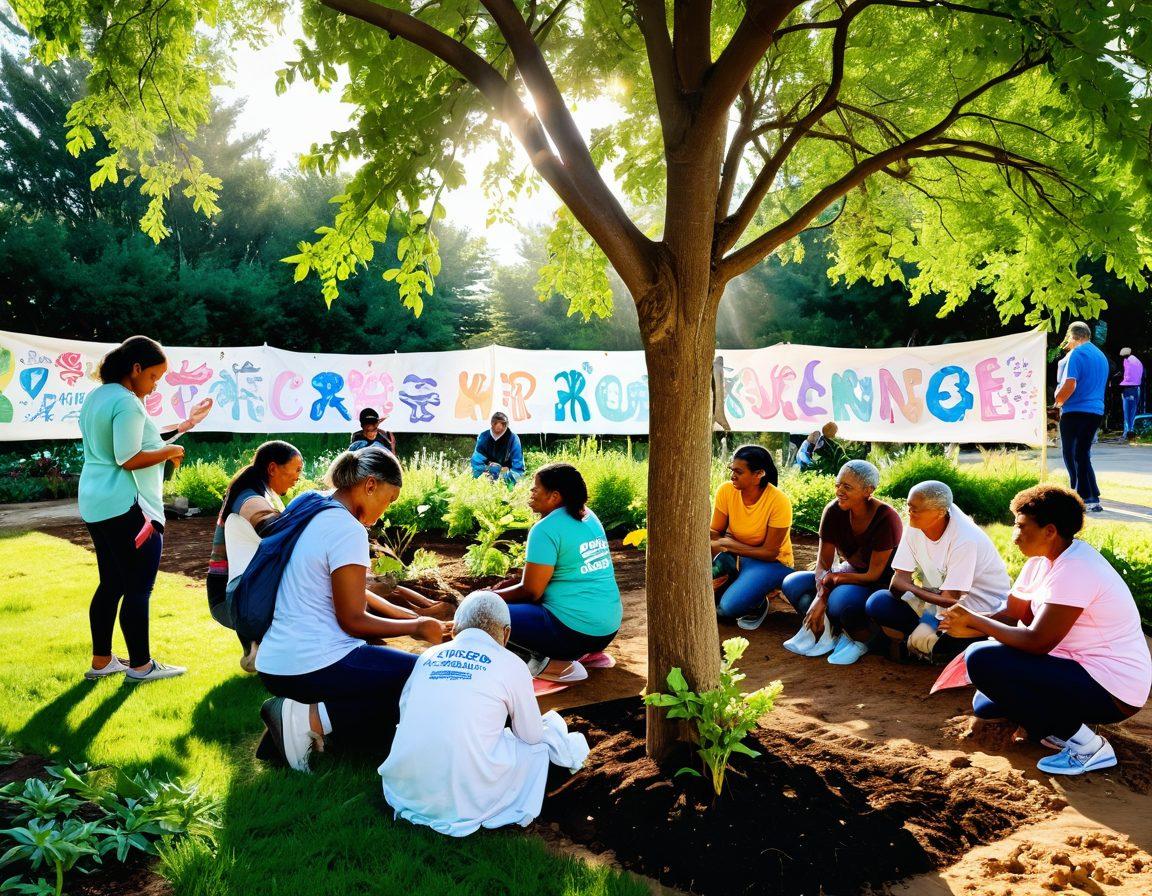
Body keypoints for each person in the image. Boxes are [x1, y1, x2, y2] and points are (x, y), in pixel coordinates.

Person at [256, 447, 451, 772]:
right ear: (370, 485)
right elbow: (353, 620)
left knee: (387, 668)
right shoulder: (347, 529)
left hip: (278, 658)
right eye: (389, 500)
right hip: (310, 662)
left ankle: (288, 726)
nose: (386, 510)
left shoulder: (313, 506)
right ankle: (308, 720)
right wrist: (416, 627)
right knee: (424, 676)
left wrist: (416, 617)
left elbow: (353, 596)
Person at [941, 485, 1151, 776]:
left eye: (1020, 526)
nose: (1014, 536)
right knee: (987, 702)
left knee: (981, 659)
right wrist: (964, 624)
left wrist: (976, 623)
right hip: (1075, 667)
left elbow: (1037, 642)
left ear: (1050, 531)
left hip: (1113, 686)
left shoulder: (1077, 568)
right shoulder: (1039, 561)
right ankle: (1060, 726)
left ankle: (1089, 747)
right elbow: (1012, 614)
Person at [379, 591, 589, 836]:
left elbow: (405, 713)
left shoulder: (427, 656)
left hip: (407, 786)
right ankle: (483, 800)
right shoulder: (511, 663)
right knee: (540, 747)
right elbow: (530, 736)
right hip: (465, 795)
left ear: (455, 630)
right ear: (506, 632)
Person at [78, 336, 211, 684]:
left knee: (111, 584)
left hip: (95, 501)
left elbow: (138, 441)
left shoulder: (98, 396)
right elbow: (130, 458)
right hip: (127, 505)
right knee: (139, 587)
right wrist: (172, 451)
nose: (154, 387)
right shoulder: (128, 403)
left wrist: (184, 426)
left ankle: (102, 661)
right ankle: (140, 666)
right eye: (153, 377)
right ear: (135, 369)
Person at [492, 463, 621, 684]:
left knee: (487, 614)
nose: (530, 492)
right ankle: (585, 656)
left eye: (536, 488)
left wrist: (487, 597)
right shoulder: (588, 516)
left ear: (554, 496)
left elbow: (531, 591)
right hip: (605, 630)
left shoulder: (545, 529)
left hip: (573, 633)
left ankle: (550, 665)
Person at [866, 480, 1010, 664]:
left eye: (915, 509)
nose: (909, 512)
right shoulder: (915, 526)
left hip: (977, 612)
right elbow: (896, 585)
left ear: (940, 512)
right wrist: (924, 596)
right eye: (909, 506)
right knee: (879, 602)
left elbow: (951, 600)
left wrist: (912, 588)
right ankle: (925, 641)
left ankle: (928, 645)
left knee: (952, 645)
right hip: (937, 604)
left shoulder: (965, 539)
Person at [780, 460, 903, 665]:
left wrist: (827, 591)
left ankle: (867, 637)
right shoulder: (834, 511)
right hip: (845, 575)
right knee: (793, 584)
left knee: (838, 600)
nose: (839, 491)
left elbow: (873, 575)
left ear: (868, 490)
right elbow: (823, 564)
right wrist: (821, 595)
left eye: (847, 487)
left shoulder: (887, 518)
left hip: (877, 583)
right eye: (838, 484)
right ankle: (828, 629)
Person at [206, 440, 304, 671]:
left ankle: (257, 646)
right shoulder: (249, 498)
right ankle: (257, 642)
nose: (298, 476)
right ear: (272, 468)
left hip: (240, 595)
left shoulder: (264, 494)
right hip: (232, 601)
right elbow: (271, 527)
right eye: (297, 469)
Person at [711, 444, 794, 631]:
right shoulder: (726, 491)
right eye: (732, 470)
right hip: (741, 555)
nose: (732, 475)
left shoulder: (779, 501)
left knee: (727, 609)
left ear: (759, 474)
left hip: (773, 563)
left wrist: (727, 544)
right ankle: (739, 582)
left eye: (739, 472)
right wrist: (715, 561)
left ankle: (758, 601)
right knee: (713, 572)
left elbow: (770, 552)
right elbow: (714, 533)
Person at [1054, 322, 1109, 512]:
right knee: (1082, 453)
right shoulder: (1101, 355)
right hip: (1095, 410)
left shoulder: (1077, 353)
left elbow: (1070, 384)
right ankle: (1092, 493)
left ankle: (1081, 497)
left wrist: (1058, 401)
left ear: (1073, 336)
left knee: (1071, 454)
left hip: (1075, 409)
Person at [471, 411, 525, 484]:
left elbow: (518, 465)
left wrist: (506, 477)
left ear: (506, 424)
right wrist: (486, 471)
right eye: (495, 422)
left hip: (507, 473)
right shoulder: (483, 436)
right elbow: (477, 461)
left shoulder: (513, 438)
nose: (499, 426)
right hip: (486, 471)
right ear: (491, 423)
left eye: (502, 423)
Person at [1118, 347, 1144, 440]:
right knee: (1133, 411)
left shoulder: (1127, 361)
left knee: (1127, 411)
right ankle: (1131, 431)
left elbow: (1126, 376)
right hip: (1136, 388)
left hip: (1128, 388)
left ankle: (1126, 433)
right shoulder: (1137, 361)